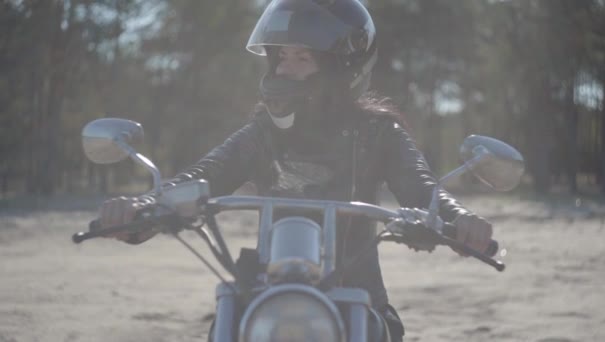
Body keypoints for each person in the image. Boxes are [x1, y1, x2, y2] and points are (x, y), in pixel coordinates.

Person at [97, 0, 493, 341]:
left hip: (358, 298)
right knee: (227, 320)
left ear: (342, 66)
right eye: (282, 56)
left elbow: (422, 188)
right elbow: (206, 174)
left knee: (379, 333)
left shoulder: (377, 134)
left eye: (302, 57)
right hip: (270, 289)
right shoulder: (262, 133)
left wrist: (459, 220)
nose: (285, 69)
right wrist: (146, 206)